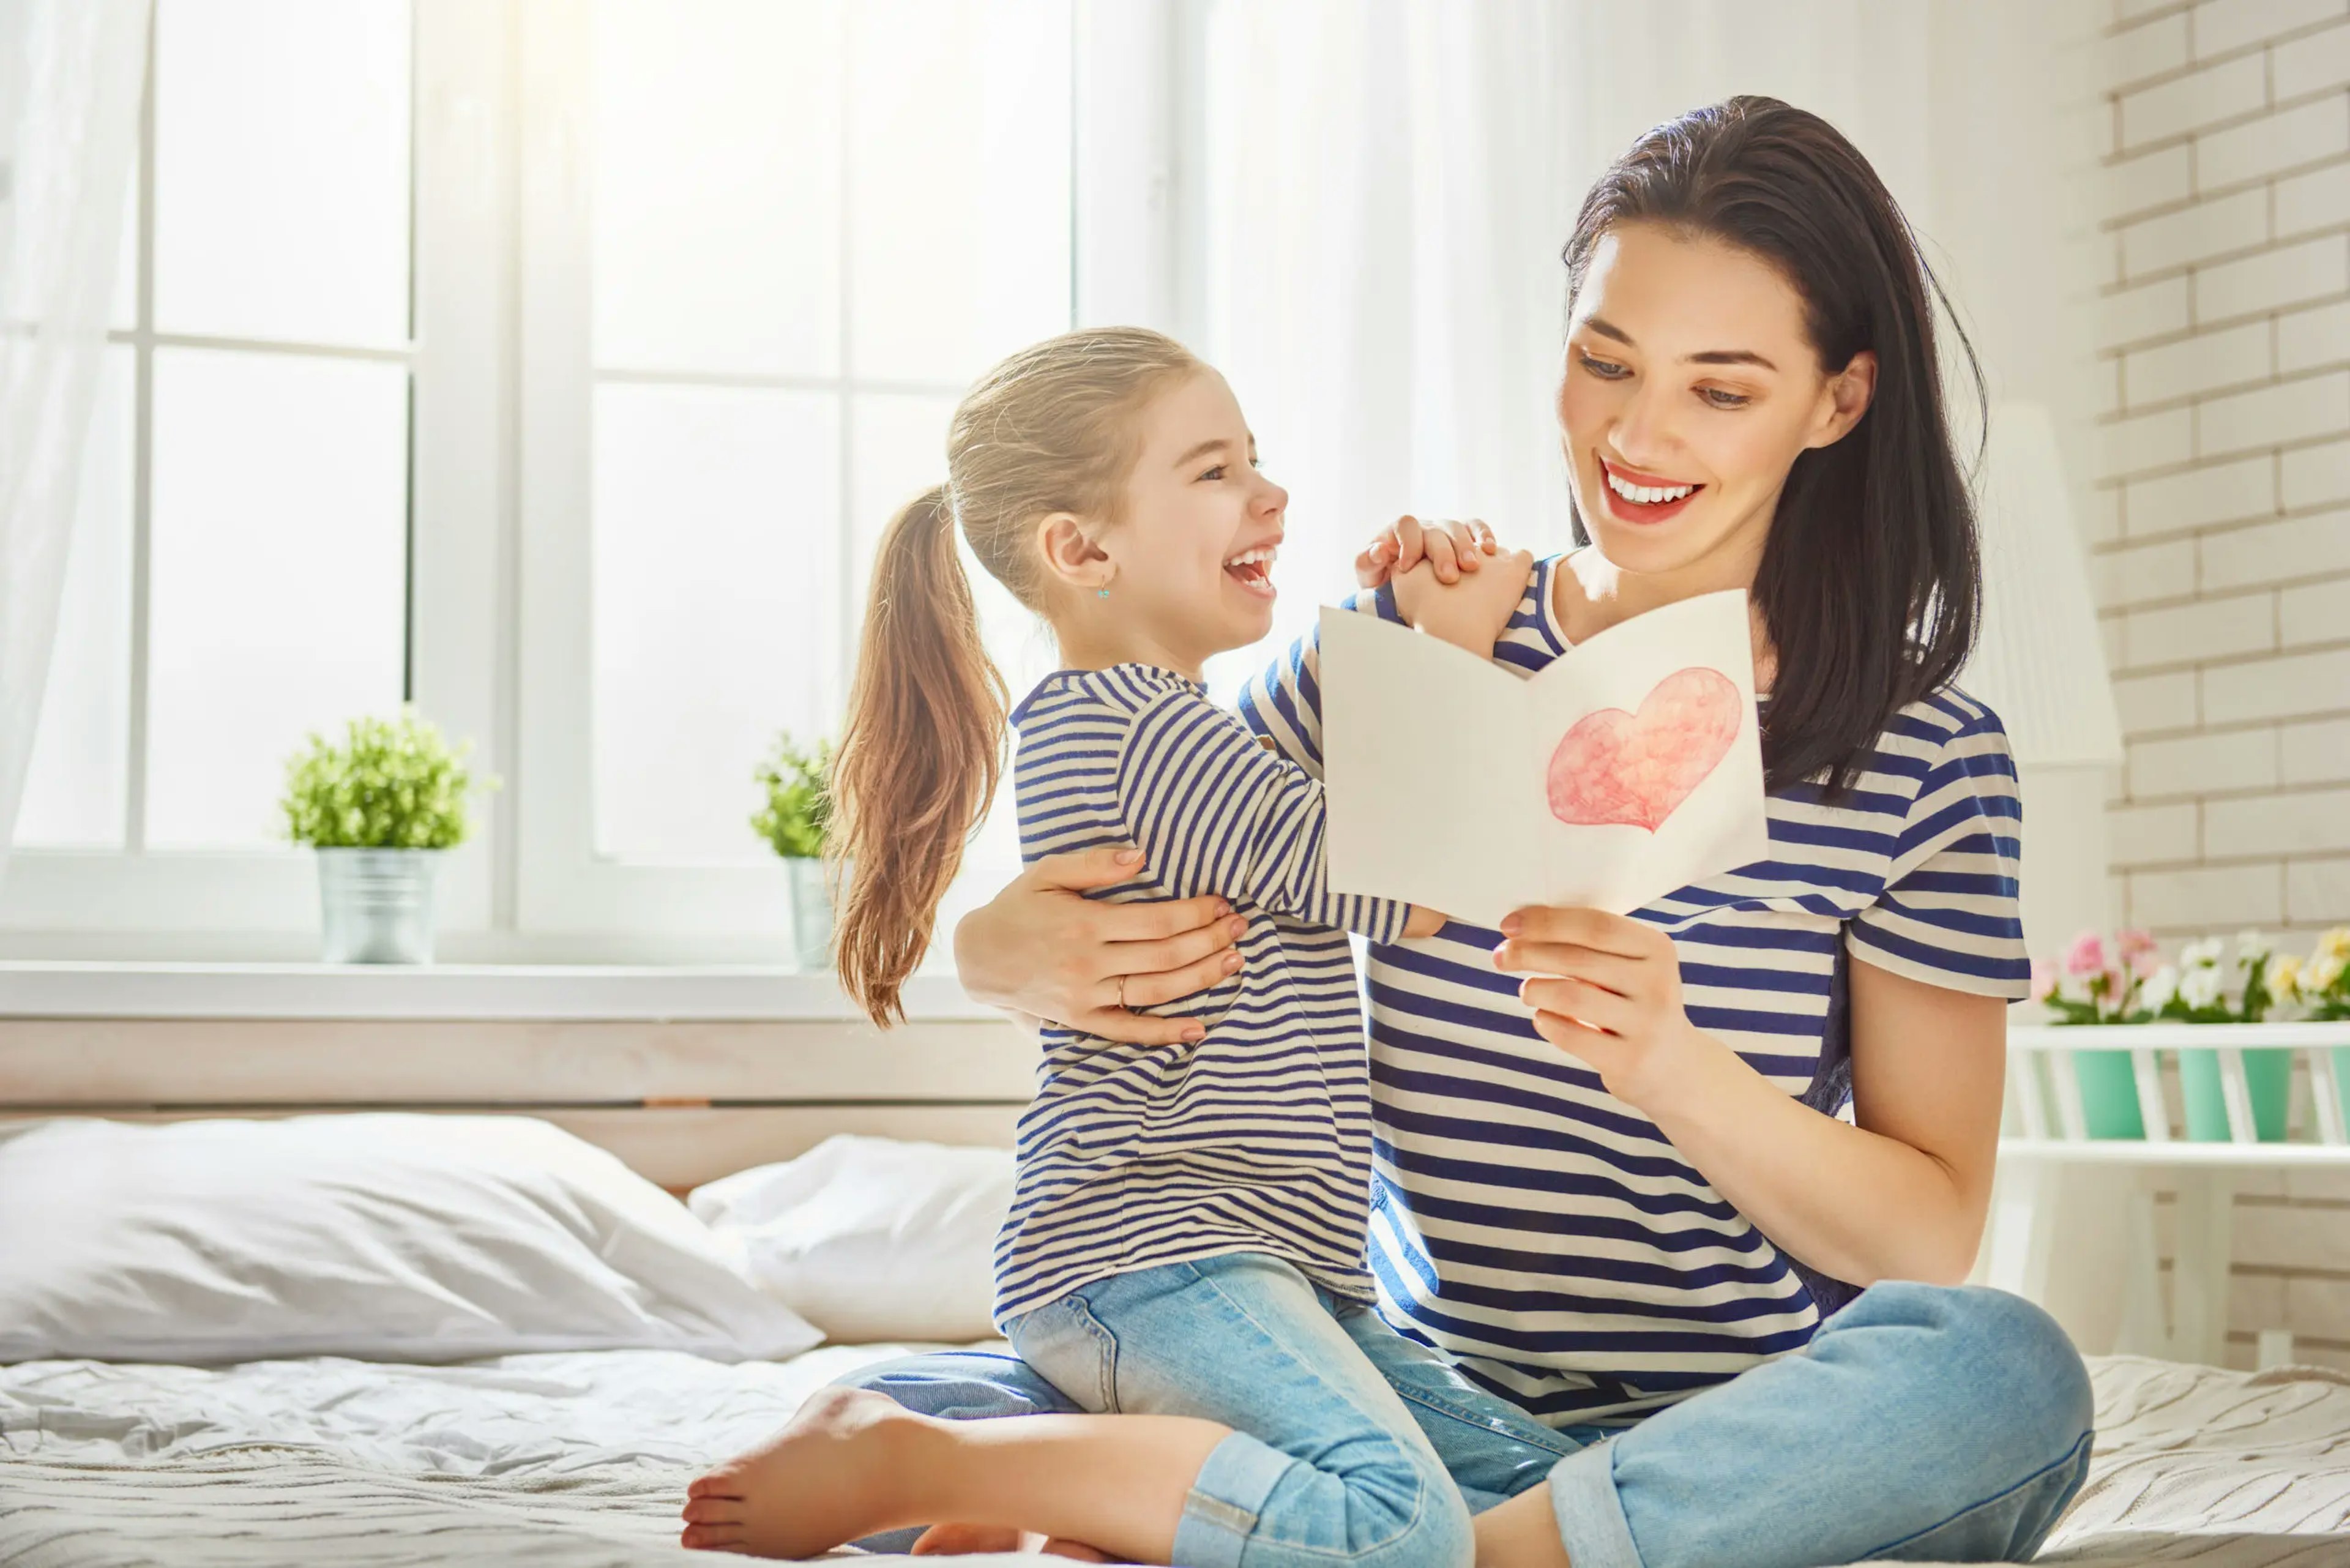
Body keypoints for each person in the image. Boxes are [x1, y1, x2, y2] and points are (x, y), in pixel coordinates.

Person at [829, 95, 2097, 1568]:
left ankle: (1408, 1548)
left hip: (1740, 1425)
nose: (1637, 433)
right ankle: (1412, 1529)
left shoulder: (1926, 759)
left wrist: (1675, 1068)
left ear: (1838, 402)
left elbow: (1925, 1239)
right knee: (893, 1397)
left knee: (2007, 1376)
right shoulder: (1415, 648)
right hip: (1399, 1390)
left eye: (1720, 391)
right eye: (1604, 360)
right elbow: (1152, 813)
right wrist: (999, 947)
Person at [680, 323, 1556, 1564]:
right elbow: (1411, 875)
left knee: (1548, 1495)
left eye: (1255, 458)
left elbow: (1328, 750)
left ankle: (1019, 1458)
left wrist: (1405, 612)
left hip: (1255, 1268)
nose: (1272, 493)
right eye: (1214, 472)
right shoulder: (1142, 733)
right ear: (1082, 549)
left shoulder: (1176, 730)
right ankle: (941, 1461)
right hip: (1158, 1255)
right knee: (1403, 1534)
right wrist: (1459, 643)